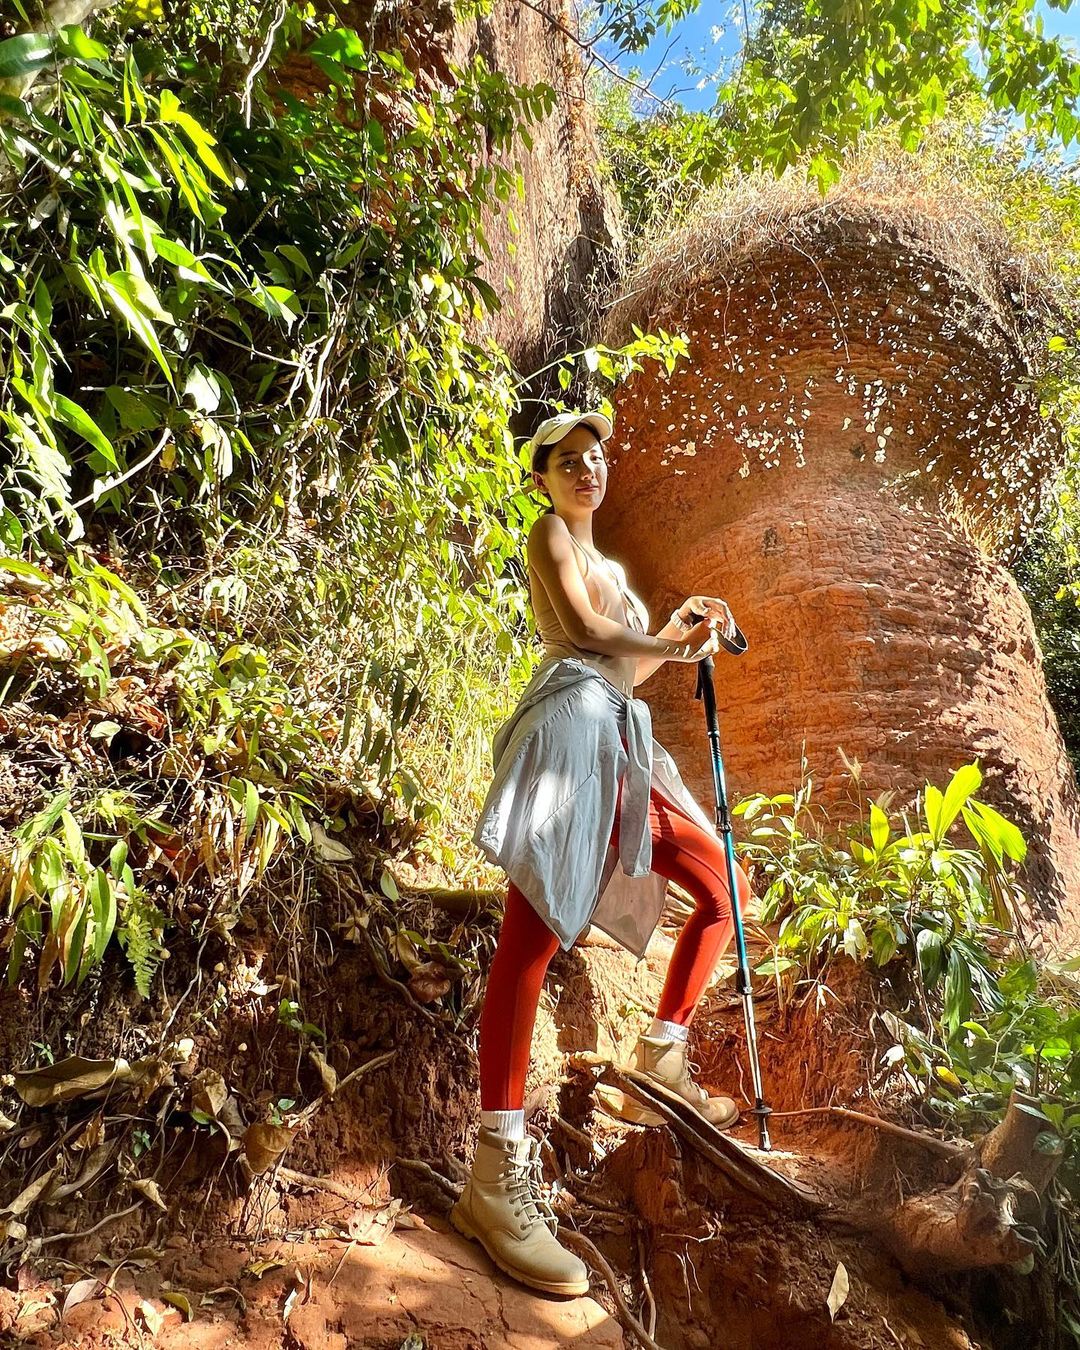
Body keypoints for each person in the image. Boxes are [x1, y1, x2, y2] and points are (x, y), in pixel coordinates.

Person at [451, 410, 753, 1297]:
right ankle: (494, 1175)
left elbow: (630, 667)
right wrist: (661, 637)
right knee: (532, 938)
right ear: (541, 475)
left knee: (718, 885)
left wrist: (680, 635)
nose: (588, 471)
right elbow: (585, 635)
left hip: (618, 740)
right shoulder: (551, 534)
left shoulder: (614, 568)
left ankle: (660, 1051)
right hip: (571, 729)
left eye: (597, 459)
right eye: (569, 461)